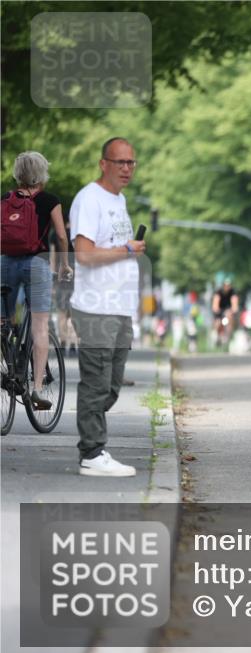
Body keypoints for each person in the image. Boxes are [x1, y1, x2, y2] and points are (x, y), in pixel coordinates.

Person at [68, 137, 145, 477]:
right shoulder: (89, 199)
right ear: (103, 164)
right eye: (120, 162)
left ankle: (93, 446)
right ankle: (92, 453)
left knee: (112, 386)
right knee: (96, 383)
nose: (126, 168)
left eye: (131, 162)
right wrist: (127, 250)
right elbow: (84, 254)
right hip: (96, 306)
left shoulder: (120, 199)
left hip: (119, 306)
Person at [1, 151, 72, 410]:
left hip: (5, 262)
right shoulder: (49, 201)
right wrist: (64, 264)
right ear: (42, 174)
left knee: (3, 323)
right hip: (36, 264)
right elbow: (62, 237)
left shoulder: (6, 199)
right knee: (40, 327)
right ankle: (38, 389)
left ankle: (7, 363)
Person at [211, 277, 239, 348]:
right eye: (226, 285)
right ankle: (218, 335)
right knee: (218, 323)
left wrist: (232, 310)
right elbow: (215, 304)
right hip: (220, 312)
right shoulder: (218, 292)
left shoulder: (233, 292)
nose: (227, 287)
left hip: (228, 312)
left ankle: (229, 335)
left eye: (228, 285)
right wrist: (217, 310)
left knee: (230, 319)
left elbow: (235, 304)